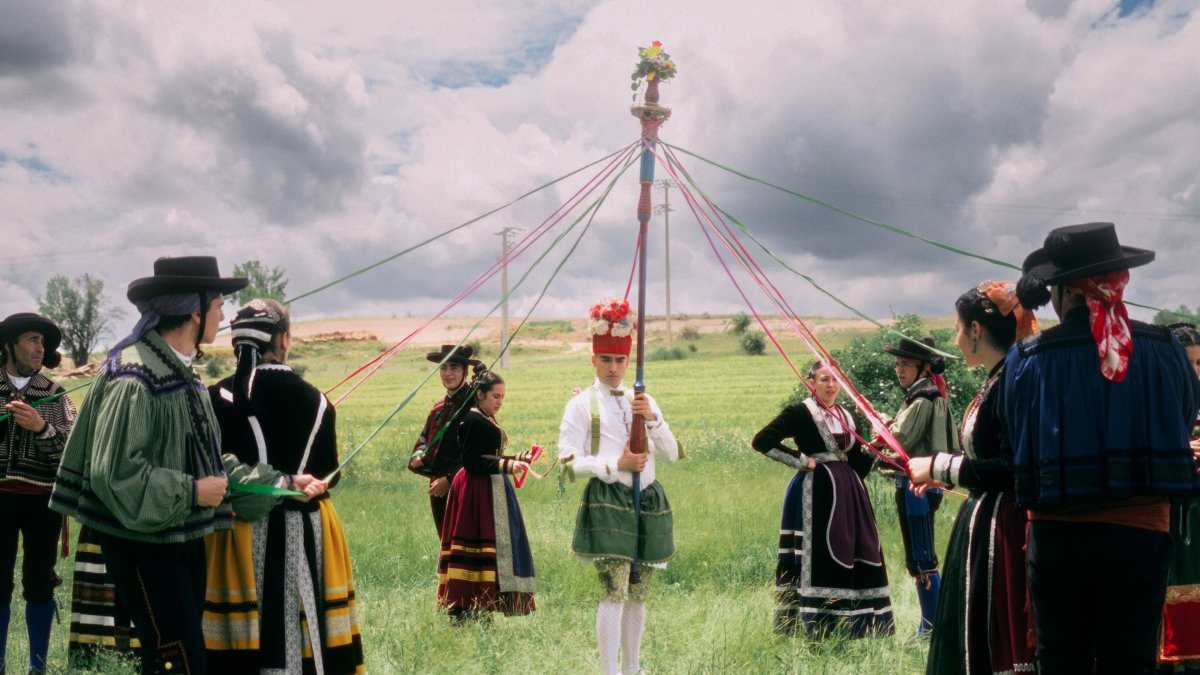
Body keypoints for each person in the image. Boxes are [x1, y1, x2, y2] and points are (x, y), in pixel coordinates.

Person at [49, 256, 311, 674]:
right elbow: (113, 473)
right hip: (144, 547)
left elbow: (207, 465)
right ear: (194, 310)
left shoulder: (181, 373)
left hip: (177, 539)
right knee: (179, 661)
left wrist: (281, 481)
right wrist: (191, 491)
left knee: (179, 659)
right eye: (218, 304)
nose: (223, 314)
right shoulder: (136, 375)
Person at [1003, 222, 1200, 673]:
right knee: (1130, 660)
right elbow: (1185, 417)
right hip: (1139, 538)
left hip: (1058, 544)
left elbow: (1016, 434)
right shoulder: (1165, 347)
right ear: (1117, 281)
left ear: (1063, 293)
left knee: (1061, 660)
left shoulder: (1027, 358)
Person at [205, 299, 364, 674]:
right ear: (284, 338)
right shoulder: (319, 401)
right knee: (302, 612)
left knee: (249, 626)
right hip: (309, 527)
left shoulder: (219, 396)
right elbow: (329, 474)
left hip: (238, 531)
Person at [909, 282, 1037, 674]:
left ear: (977, 331)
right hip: (987, 523)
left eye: (958, 327)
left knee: (994, 632)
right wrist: (944, 472)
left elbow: (1013, 467)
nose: (956, 337)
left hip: (1006, 529)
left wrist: (939, 466)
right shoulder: (999, 380)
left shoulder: (1011, 384)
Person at [556, 298, 679, 675]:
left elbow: (672, 453)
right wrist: (615, 465)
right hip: (608, 501)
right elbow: (567, 465)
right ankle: (610, 672)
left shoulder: (642, 399)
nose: (613, 368)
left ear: (629, 362)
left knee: (639, 595)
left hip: (648, 498)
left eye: (620, 361)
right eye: (606, 360)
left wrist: (653, 419)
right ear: (593, 360)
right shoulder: (580, 405)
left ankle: (633, 669)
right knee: (615, 592)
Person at [751, 361, 894, 638]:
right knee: (819, 552)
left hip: (850, 497)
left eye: (835, 380)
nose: (831, 386)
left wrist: (877, 447)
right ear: (811, 382)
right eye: (824, 379)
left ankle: (852, 624)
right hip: (816, 494)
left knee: (854, 551)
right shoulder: (799, 413)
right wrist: (801, 460)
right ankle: (818, 626)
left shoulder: (848, 416)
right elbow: (762, 441)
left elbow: (859, 467)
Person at [0, 313, 76, 674]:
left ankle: (37, 667)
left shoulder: (56, 394)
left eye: (42, 342)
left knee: (38, 582)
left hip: (42, 500)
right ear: (10, 345)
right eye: (31, 339)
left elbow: (73, 451)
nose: (39, 348)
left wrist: (42, 427)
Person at [436, 368, 536, 621]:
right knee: (475, 544)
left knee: (492, 546)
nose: (500, 402)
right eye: (496, 396)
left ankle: (483, 603)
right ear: (480, 394)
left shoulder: (485, 417)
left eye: (503, 397)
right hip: (475, 491)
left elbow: (488, 455)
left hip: (489, 487)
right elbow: (471, 460)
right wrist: (506, 465)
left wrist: (518, 459)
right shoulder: (472, 419)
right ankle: (466, 605)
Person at [877, 336, 960, 636]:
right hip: (925, 484)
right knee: (919, 555)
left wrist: (880, 422)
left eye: (906, 365)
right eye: (898, 364)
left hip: (917, 487)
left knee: (922, 556)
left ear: (923, 368)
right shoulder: (927, 394)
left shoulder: (922, 399)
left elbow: (901, 439)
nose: (899, 370)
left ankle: (933, 627)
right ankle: (929, 623)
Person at [1159, 321, 1200, 672]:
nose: (1196, 372)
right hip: (1163, 515)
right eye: (1189, 363)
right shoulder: (1151, 403)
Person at [409, 344, 480, 538]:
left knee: (466, 543)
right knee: (445, 541)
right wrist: (419, 453)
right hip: (437, 486)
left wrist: (450, 479)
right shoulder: (438, 408)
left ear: (465, 371)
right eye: (443, 367)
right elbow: (424, 437)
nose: (448, 373)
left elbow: (479, 449)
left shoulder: (475, 407)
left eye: (454, 367)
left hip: (466, 486)